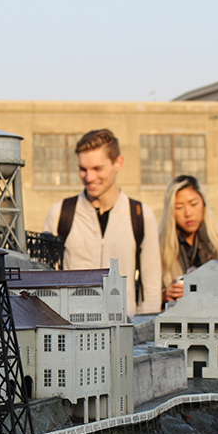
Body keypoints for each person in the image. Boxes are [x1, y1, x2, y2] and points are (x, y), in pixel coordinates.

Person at [42, 129, 161, 315]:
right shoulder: (60, 213)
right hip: (70, 330)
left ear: (118, 163)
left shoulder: (141, 215)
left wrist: (142, 334)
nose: (89, 178)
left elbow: (151, 288)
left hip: (124, 329)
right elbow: (42, 280)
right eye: (83, 169)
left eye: (98, 168)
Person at [159, 175, 218, 303]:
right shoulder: (158, 248)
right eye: (179, 207)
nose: (188, 213)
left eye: (194, 204)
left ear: (203, 204)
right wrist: (161, 296)